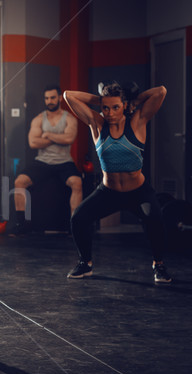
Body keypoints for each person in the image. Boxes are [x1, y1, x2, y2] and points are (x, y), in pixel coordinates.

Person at [63, 82, 172, 283]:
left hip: (138, 191)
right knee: (78, 218)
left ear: (124, 106)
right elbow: (68, 95)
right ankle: (85, 263)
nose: (110, 113)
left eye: (115, 107)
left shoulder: (137, 121)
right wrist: (101, 99)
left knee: (155, 219)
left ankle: (159, 265)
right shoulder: (96, 123)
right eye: (105, 107)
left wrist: (132, 101)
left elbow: (161, 91)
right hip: (109, 192)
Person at [11, 84, 82, 235]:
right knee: (19, 182)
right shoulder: (38, 119)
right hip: (42, 161)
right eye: (47, 98)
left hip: (64, 161)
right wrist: (59, 138)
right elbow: (33, 143)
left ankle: (74, 225)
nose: (49, 101)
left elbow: (69, 138)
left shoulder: (69, 118)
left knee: (77, 183)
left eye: (52, 98)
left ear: (59, 98)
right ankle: (21, 224)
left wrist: (48, 135)